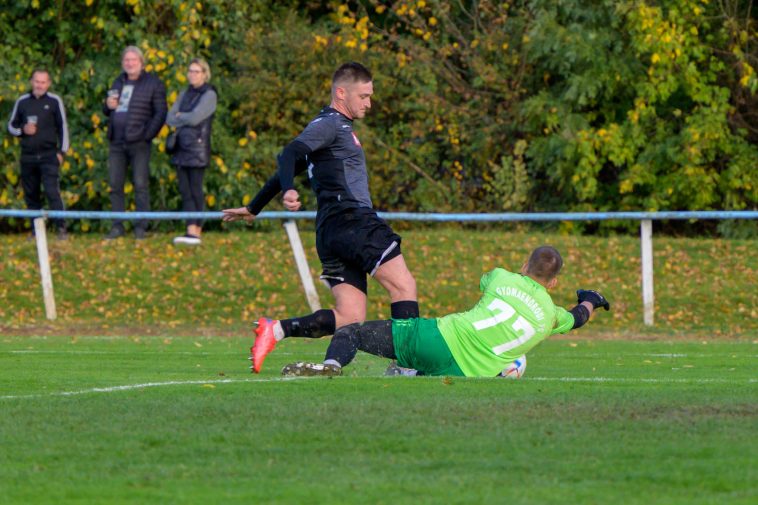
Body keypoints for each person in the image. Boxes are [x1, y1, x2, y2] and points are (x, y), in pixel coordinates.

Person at [222, 62, 418, 373]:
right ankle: (408, 365)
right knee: (404, 286)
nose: (369, 103)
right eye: (364, 96)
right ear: (342, 93)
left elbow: (288, 166)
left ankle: (278, 332)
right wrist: (289, 191)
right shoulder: (331, 124)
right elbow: (288, 154)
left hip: (329, 230)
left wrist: (253, 207)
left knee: (350, 317)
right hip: (353, 220)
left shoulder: (327, 130)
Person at [264, 246, 610, 377]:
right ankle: (409, 371)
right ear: (552, 284)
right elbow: (578, 317)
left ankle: (331, 366)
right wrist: (591, 299)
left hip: (441, 339)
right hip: (469, 373)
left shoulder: (503, 277)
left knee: (351, 331)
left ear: (524, 265)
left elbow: (485, 282)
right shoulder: (551, 315)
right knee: (413, 369)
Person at [102, 46, 167, 240]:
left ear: (141, 63)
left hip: (139, 142)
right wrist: (107, 105)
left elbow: (161, 113)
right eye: (126, 60)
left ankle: (141, 228)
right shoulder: (118, 81)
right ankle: (117, 226)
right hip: (116, 142)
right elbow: (107, 110)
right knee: (115, 185)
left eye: (133, 60)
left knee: (140, 185)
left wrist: (147, 135)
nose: (129, 63)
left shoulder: (153, 83)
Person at [7, 69, 70, 240]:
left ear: (48, 83)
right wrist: (23, 130)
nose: (39, 85)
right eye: (37, 81)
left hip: (49, 155)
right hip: (28, 156)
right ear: (31, 82)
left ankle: (61, 229)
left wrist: (62, 152)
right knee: (31, 194)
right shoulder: (22, 101)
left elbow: (63, 127)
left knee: (52, 192)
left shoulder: (55, 100)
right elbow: (11, 126)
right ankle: (36, 231)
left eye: (43, 82)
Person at [166, 58, 217, 246]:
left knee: (196, 190)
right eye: (190, 71)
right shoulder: (184, 93)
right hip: (180, 148)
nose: (192, 74)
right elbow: (170, 117)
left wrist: (182, 116)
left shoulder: (209, 94)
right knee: (184, 190)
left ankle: (197, 230)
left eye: (196, 71)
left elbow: (196, 118)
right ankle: (189, 229)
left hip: (197, 149)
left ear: (204, 74)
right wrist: (181, 117)